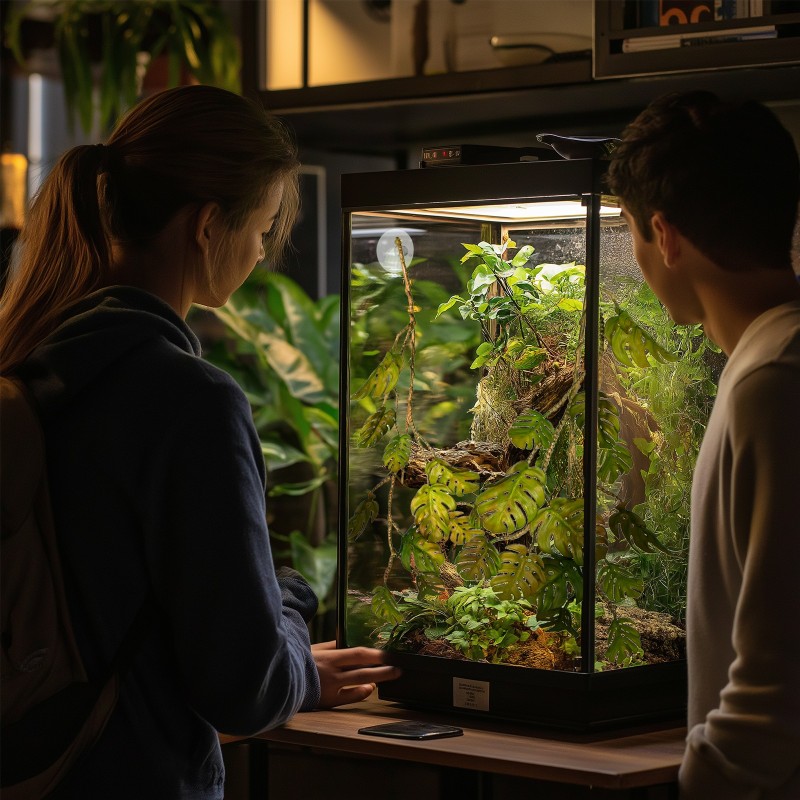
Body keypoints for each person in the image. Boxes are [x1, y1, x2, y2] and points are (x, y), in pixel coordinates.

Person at [0, 84, 400, 798]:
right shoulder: (190, 400)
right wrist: (290, 608)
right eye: (262, 227)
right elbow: (244, 688)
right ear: (208, 224)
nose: (259, 254)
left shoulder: (35, 359)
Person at [607, 91, 800, 799]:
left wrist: (703, 779)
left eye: (626, 228)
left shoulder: (776, 381)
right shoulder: (765, 362)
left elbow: (778, 681)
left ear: (665, 235)